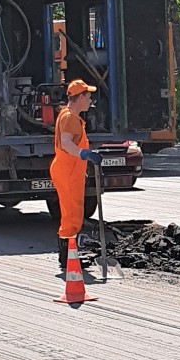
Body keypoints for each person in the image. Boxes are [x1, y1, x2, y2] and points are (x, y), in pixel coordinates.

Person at [50, 79, 103, 270]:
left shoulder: (70, 116)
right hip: (68, 171)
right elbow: (65, 142)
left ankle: (68, 256)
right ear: (80, 97)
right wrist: (84, 154)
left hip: (70, 171)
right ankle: (68, 258)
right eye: (88, 97)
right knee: (71, 215)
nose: (90, 101)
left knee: (73, 214)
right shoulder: (69, 117)